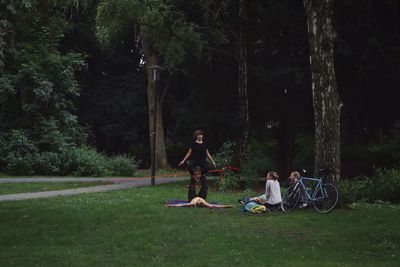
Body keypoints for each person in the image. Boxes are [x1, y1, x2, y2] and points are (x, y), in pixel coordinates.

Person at [179, 130, 216, 201]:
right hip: (195, 160)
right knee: (189, 165)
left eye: (201, 135)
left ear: (202, 136)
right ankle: (194, 176)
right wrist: (183, 161)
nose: (200, 136)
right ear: (196, 136)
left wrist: (213, 161)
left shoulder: (205, 144)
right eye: (198, 135)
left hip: (202, 161)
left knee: (208, 167)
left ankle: (200, 175)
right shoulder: (193, 144)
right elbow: (189, 153)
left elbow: (208, 154)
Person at [165, 197, 234, 209]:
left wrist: (228, 206)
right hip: (194, 200)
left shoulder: (203, 203)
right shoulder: (194, 202)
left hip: (195, 201)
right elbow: (216, 206)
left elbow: (216, 206)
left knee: (211, 205)